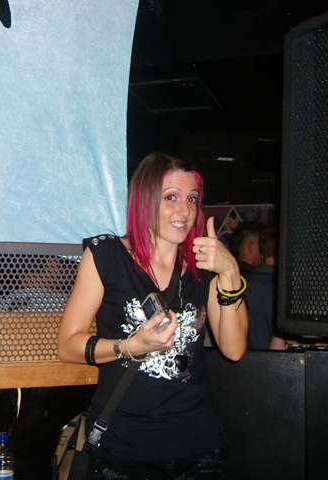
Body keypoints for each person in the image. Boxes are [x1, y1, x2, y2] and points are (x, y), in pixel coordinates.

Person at [57, 152, 248, 479]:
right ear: (144, 201)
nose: (184, 211)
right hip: (125, 449)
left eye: (191, 199)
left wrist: (230, 272)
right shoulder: (107, 255)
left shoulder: (204, 266)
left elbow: (234, 349)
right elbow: (67, 346)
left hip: (198, 446)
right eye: (171, 197)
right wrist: (130, 346)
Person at [245, 226, 278, 350]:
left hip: (242, 359)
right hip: (275, 360)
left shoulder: (241, 284)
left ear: (262, 254)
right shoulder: (286, 290)